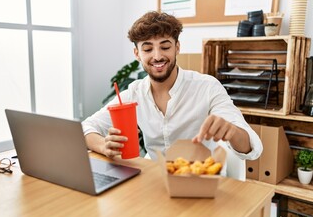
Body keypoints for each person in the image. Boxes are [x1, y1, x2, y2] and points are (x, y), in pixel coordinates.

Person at [82, 11, 262, 164]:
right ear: (137, 54)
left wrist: (232, 131)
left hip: (200, 181)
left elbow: (252, 149)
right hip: (156, 182)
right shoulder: (134, 93)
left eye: (165, 46)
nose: (157, 56)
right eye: (147, 49)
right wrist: (103, 145)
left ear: (177, 47)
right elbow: (86, 127)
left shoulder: (207, 87)